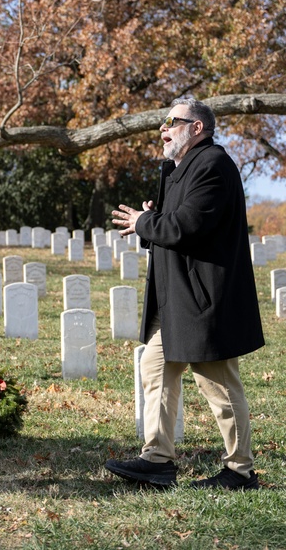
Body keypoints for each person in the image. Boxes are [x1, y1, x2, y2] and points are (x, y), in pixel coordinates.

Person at [105, 96, 264, 490]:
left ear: (198, 128)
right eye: (162, 122)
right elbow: (171, 228)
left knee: (219, 385)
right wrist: (149, 223)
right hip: (174, 298)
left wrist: (148, 221)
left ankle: (239, 470)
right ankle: (157, 459)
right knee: (154, 370)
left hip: (202, 297)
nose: (163, 128)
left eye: (172, 121)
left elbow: (188, 226)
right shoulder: (179, 169)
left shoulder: (212, 165)